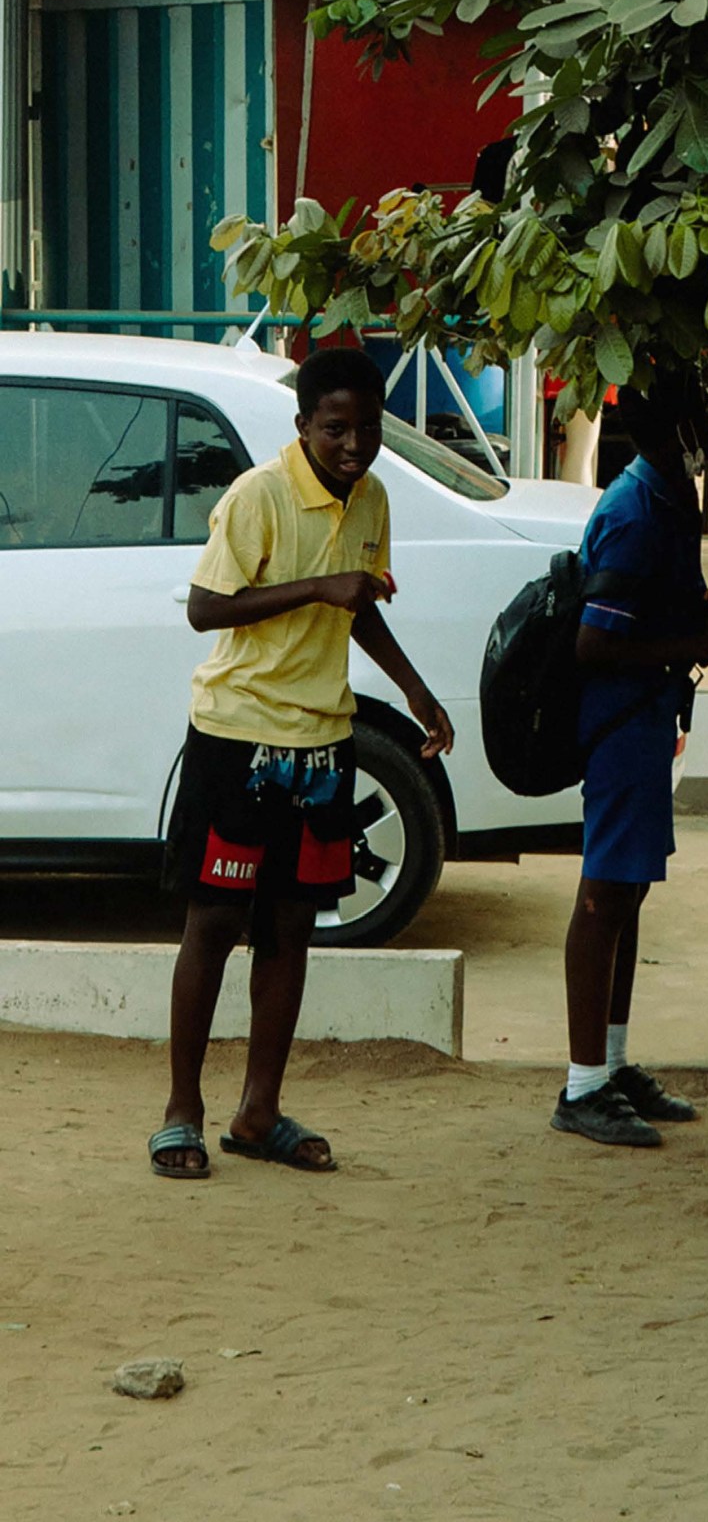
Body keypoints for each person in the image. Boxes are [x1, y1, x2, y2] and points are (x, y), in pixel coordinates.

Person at [151, 347, 454, 1180]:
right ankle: (182, 1110)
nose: (353, 444)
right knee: (214, 923)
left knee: (290, 926)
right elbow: (207, 607)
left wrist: (420, 693)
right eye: (335, 429)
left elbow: (358, 608)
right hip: (237, 739)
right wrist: (321, 585)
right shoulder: (260, 495)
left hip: (323, 744)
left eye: (368, 428)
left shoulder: (374, 498)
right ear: (302, 427)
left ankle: (259, 1111)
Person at [554, 368, 708, 1148]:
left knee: (627, 891)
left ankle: (608, 1062)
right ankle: (581, 1085)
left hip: (644, 715)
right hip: (621, 720)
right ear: (674, 429)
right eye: (697, 415)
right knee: (604, 895)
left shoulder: (664, 493)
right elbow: (595, 641)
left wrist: (697, 625)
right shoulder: (639, 509)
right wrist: (698, 643)